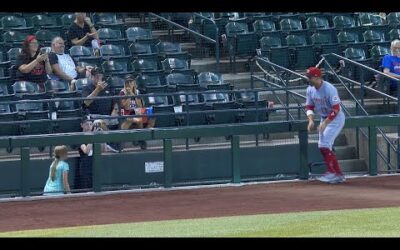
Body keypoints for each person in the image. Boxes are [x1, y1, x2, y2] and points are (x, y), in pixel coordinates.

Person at [305, 67, 346, 184]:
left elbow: (336, 108)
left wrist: (325, 123)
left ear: (317, 77)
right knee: (323, 146)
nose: (308, 79)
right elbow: (309, 107)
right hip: (324, 118)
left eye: (310, 77)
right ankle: (337, 174)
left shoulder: (329, 89)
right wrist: (311, 121)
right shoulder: (310, 90)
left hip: (336, 119)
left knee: (324, 145)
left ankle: (333, 173)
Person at [119, 74, 155, 150]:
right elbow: (126, 107)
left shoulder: (137, 92)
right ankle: (141, 139)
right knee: (138, 119)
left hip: (136, 112)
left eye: (130, 82)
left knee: (152, 118)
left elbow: (139, 106)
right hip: (127, 114)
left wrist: (133, 95)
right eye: (127, 82)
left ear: (134, 82)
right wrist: (129, 95)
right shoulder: (122, 92)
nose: (129, 84)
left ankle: (140, 137)